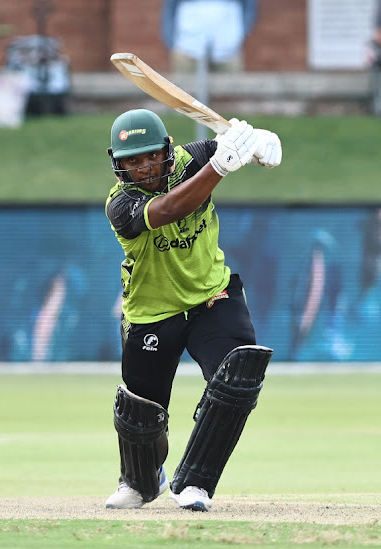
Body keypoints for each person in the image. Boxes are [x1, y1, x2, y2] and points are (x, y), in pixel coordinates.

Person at [103, 110, 281, 511]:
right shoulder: (121, 203)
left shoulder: (192, 158)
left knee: (238, 378)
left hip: (211, 298)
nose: (144, 168)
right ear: (118, 165)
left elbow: (230, 146)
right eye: (132, 161)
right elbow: (169, 209)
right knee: (141, 416)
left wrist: (258, 141)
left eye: (150, 156)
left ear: (167, 150)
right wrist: (220, 166)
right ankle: (141, 482)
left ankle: (195, 483)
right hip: (153, 313)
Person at [161, 0, 258, 72]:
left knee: (230, 95)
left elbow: (249, 7)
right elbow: (170, 8)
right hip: (187, 48)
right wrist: (171, 42)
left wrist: (240, 35)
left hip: (228, 50)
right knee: (183, 94)